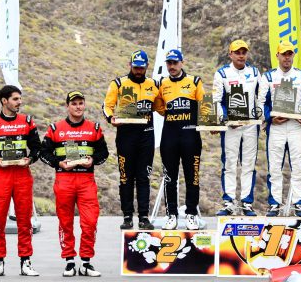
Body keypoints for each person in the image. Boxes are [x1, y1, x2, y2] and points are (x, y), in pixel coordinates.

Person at [40, 91, 109, 277]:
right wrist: (58, 163)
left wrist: (93, 160)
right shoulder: (55, 128)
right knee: (65, 222)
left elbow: (104, 154)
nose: (78, 106)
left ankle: (86, 262)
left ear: (84, 105)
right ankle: (69, 261)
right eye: (74, 103)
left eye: (81, 103)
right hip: (64, 179)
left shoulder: (94, 128)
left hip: (86, 180)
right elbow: (43, 153)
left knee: (90, 222)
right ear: (67, 106)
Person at [0, 85, 41, 277]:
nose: (19, 102)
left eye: (20, 99)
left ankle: (26, 262)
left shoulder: (27, 121)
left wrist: (30, 159)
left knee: (24, 220)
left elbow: (37, 149)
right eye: (15, 99)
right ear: (4, 101)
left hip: (22, 175)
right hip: (0, 176)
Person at [102, 49, 159, 230]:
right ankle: (127, 217)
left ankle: (143, 217)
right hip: (126, 136)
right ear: (130, 65)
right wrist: (111, 118)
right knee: (126, 178)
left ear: (147, 67)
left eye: (141, 68)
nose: (138, 70)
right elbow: (107, 106)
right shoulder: (118, 83)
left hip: (146, 136)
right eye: (135, 67)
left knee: (144, 177)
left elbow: (162, 107)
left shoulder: (154, 84)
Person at [258, 40, 301, 217]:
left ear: (293, 56)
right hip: (277, 126)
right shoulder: (268, 77)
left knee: (298, 166)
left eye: (290, 54)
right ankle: (275, 203)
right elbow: (261, 103)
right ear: (277, 56)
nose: (287, 57)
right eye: (284, 54)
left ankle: (298, 204)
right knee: (275, 166)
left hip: (296, 126)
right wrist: (270, 118)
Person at [156, 48, 205, 230]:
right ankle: (171, 215)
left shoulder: (194, 81)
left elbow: (206, 105)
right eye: (169, 63)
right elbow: (159, 107)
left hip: (190, 135)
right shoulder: (162, 83)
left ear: (182, 62)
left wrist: (210, 123)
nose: (172, 66)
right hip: (169, 136)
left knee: (192, 176)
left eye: (175, 63)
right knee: (170, 177)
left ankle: (191, 214)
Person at [213, 39, 261, 216]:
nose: (241, 55)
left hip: (250, 125)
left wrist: (263, 118)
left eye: (244, 52)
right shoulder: (222, 74)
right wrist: (225, 118)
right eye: (237, 52)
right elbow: (217, 100)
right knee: (230, 163)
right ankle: (229, 202)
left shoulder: (254, 72)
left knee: (248, 163)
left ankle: (247, 202)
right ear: (230, 54)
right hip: (231, 125)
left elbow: (261, 97)